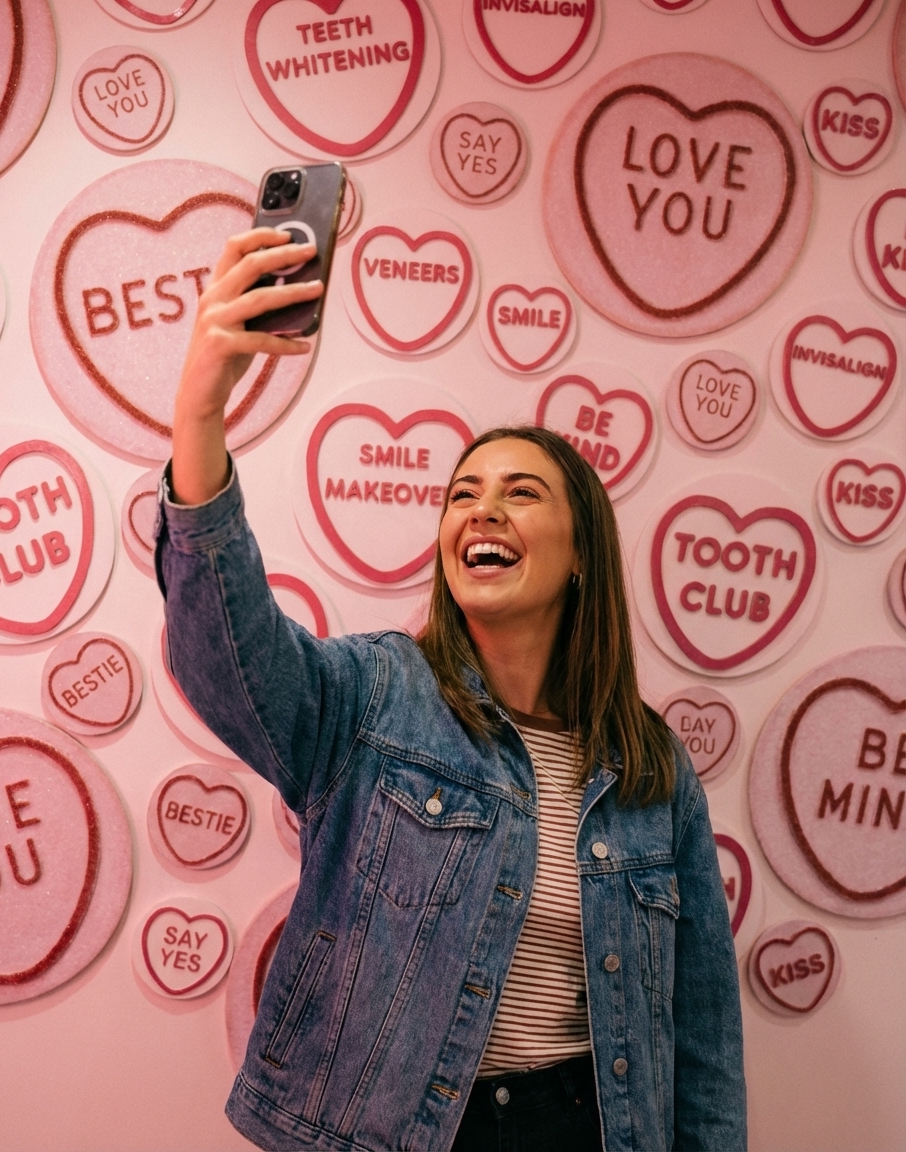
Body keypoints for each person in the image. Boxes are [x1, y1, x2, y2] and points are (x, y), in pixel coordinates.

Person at [157, 229, 746, 1152]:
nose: (482, 509)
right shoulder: (373, 696)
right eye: (464, 492)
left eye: (522, 493)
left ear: (582, 552)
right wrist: (200, 416)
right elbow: (223, 662)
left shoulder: (647, 766)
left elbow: (704, 1033)